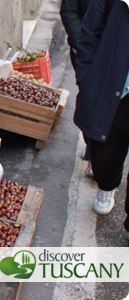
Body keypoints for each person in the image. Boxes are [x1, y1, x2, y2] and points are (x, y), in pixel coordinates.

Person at [74, 0, 129, 240]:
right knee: (106, 153)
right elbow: (89, 35)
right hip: (115, 88)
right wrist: (88, 80)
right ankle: (107, 185)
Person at [60, 0, 93, 175]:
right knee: (88, 97)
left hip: (116, 53)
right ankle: (92, 147)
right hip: (84, 51)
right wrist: (82, 46)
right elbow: (69, 10)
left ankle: (100, 158)